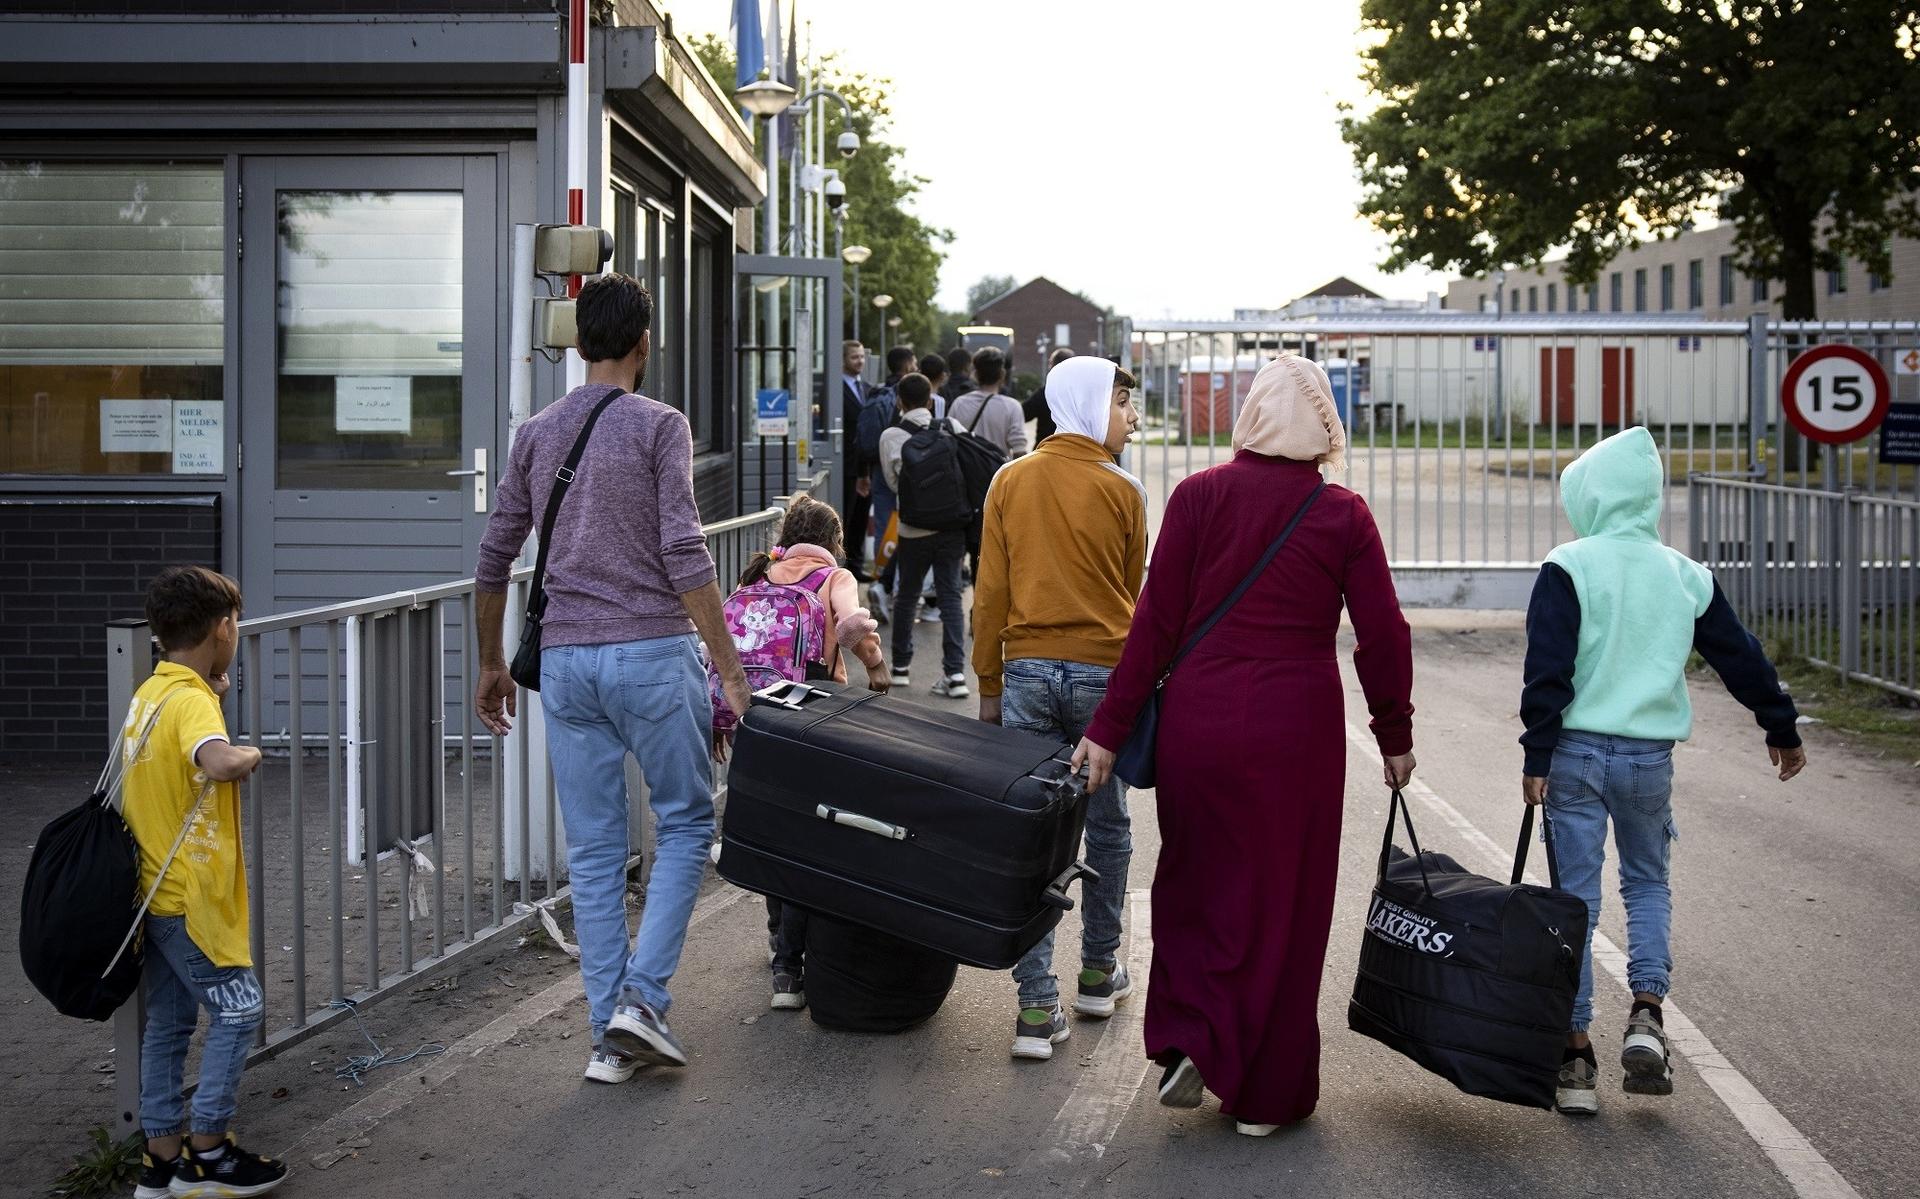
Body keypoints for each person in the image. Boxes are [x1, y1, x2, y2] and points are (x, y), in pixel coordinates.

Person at [1077, 354, 1416, 1137]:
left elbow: (1153, 624)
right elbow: (1381, 634)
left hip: (1200, 717)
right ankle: (1262, 1091)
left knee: (1196, 881)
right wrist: (1393, 732)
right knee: (1283, 901)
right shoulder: (1343, 514)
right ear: (1323, 424)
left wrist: (1107, 728)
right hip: (1294, 729)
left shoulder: (1198, 497)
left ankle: (1194, 1036)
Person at [474, 272, 752, 1086]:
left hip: (563, 664)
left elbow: (495, 556)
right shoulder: (660, 426)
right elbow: (684, 552)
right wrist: (730, 670)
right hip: (651, 655)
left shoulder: (535, 433)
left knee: (594, 854)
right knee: (686, 824)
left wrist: (491, 662)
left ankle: (607, 1036)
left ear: (576, 342)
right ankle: (643, 1001)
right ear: (643, 343)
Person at [1519, 425, 1808, 1117]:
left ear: (1589, 497)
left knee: (1575, 905)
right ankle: (1647, 1012)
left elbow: (1547, 668)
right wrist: (1781, 725)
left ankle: (1577, 1055)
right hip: (1650, 759)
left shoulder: (1570, 564)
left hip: (1577, 754)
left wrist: (1536, 754)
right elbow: (1739, 654)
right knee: (1648, 883)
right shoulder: (1684, 573)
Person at [973, 357, 1146, 1060]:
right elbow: (1136, 597)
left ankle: (1036, 1005)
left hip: (1027, 672)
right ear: (1088, 403)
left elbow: (990, 592)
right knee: (1107, 826)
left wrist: (988, 683)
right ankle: (1100, 969)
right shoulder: (1125, 490)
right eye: (1123, 404)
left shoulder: (1009, 481)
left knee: (1035, 834)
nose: (1131, 417)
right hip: (1106, 678)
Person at [123, 565, 288, 1199]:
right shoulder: (193, 703)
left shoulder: (154, 692)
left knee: (167, 1023)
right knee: (241, 1010)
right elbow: (214, 759)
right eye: (237, 623)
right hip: (192, 901)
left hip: (152, 895)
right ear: (223, 627)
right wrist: (249, 754)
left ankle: (160, 1160)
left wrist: (211, 691)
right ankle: (210, 1153)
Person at [728, 496, 888, 1012]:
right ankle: (788, 970)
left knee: (775, 827)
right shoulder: (831, 576)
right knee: (809, 837)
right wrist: (877, 666)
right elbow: (850, 627)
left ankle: (779, 935)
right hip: (810, 709)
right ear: (833, 539)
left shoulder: (759, 574)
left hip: (755, 712)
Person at [878, 371, 969, 696]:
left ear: (900, 401)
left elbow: (892, 484)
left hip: (912, 528)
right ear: (931, 400)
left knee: (907, 595)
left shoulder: (891, 435)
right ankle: (956, 675)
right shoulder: (951, 427)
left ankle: (900, 668)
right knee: (950, 598)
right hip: (951, 528)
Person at [841, 340, 876, 580]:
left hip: (864, 465)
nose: (860, 361)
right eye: (855, 357)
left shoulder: (867, 388)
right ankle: (842, 567)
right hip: (844, 464)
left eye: (862, 357)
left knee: (861, 518)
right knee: (846, 516)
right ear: (843, 359)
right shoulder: (834, 390)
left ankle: (856, 566)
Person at [1021, 346, 1077, 445]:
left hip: (1045, 449)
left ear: (1053, 366)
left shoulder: (1045, 393)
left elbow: (1023, 414)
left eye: (1050, 363)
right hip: (1074, 449)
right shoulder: (1081, 394)